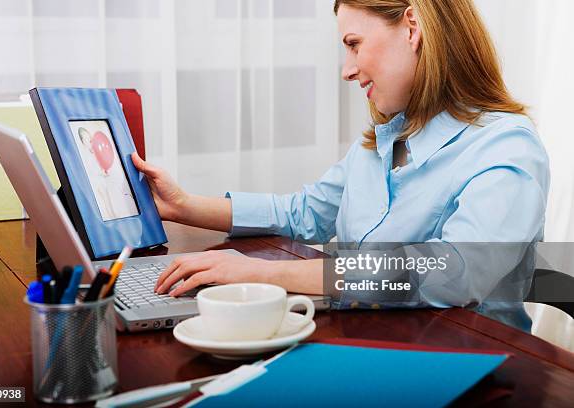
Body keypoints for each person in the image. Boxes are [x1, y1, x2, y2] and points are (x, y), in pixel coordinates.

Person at [131, 0, 549, 329]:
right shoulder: (386, 137)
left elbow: (454, 270)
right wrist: (183, 206)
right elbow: (306, 212)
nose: (347, 71)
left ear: (412, 27)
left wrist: (265, 274)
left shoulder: (505, 145)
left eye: (354, 44)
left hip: (474, 361)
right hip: (371, 341)